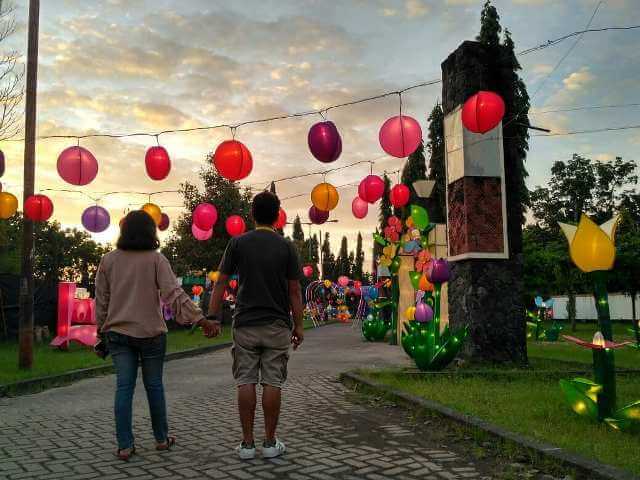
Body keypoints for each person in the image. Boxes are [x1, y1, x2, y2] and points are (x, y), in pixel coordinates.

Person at [95, 210, 220, 461]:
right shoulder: (156, 259)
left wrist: (101, 330)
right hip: (151, 334)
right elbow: (173, 294)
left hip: (118, 334)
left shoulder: (108, 261)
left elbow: (102, 300)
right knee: (154, 386)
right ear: (151, 232)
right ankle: (162, 439)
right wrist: (200, 319)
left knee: (123, 388)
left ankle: (125, 446)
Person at [200, 191, 304, 460]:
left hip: (245, 323)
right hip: (277, 325)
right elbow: (294, 291)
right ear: (278, 215)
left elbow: (221, 282)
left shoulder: (238, 243)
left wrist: (212, 316)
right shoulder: (287, 247)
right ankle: (270, 443)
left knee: (245, 380)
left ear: (252, 214)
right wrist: (299, 326)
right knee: (272, 382)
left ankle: (247, 445)